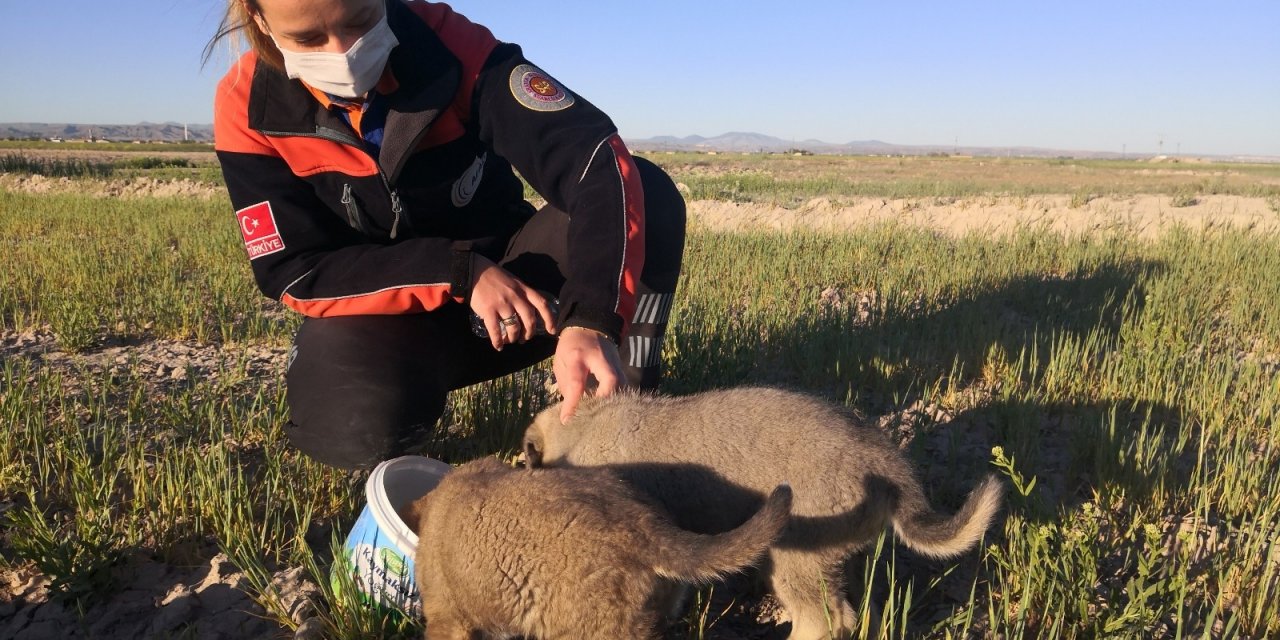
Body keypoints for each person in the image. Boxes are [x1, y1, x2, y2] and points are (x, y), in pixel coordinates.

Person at [205, 0, 685, 469]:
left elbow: (593, 160)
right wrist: (458, 271)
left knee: (645, 190)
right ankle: (401, 403)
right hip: (395, 316)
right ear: (260, 20)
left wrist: (593, 316)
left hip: (527, 292)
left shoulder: (447, 42)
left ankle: (626, 390)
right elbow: (293, 268)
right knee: (347, 427)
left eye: (359, 21)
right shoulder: (247, 107)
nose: (343, 53)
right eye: (307, 39)